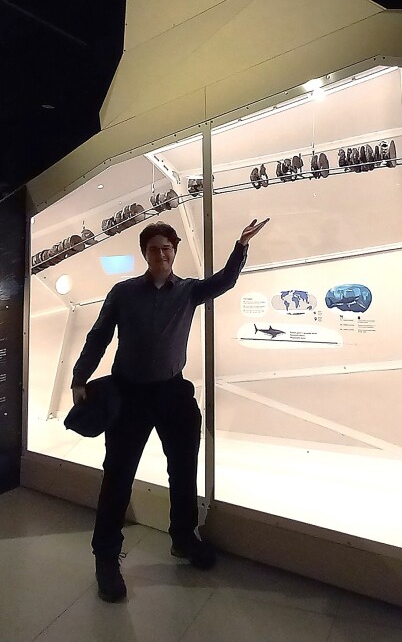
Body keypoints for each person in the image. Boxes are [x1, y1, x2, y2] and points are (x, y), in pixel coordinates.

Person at [71, 218, 269, 603]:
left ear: (174, 251)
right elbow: (99, 335)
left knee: (183, 472)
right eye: (154, 249)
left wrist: (241, 246)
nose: (162, 255)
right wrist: (80, 378)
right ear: (144, 253)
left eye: (168, 248)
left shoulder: (189, 292)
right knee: (117, 477)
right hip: (129, 396)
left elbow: (225, 281)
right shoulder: (123, 293)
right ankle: (106, 560)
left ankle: (183, 538)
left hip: (173, 394)